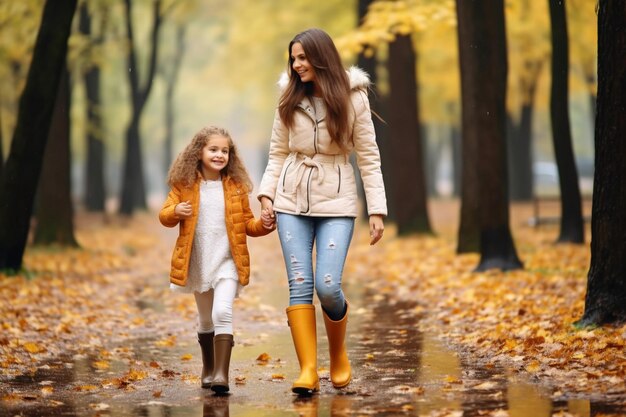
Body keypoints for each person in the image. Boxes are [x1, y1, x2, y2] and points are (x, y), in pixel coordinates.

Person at [258, 28, 387, 395]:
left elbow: (369, 156)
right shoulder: (288, 97)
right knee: (299, 285)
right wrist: (267, 195)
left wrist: (376, 209)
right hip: (291, 199)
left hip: (337, 199)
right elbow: (277, 154)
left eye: (302, 57)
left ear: (321, 56)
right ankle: (308, 370)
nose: (297, 65)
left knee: (328, 286)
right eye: (293, 58)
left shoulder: (354, 98)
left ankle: (338, 354)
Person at [159, 125, 275, 394]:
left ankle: (222, 375)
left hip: (228, 261)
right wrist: (176, 210)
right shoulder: (184, 185)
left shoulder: (235, 187)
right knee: (205, 319)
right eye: (213, 149)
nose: (219, 155)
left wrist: (265, 224)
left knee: (222, 311)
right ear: (198, 152)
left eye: (225, 151)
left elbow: (248, 224)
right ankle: (209, 368)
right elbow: (164, 216)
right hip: (199, 261)